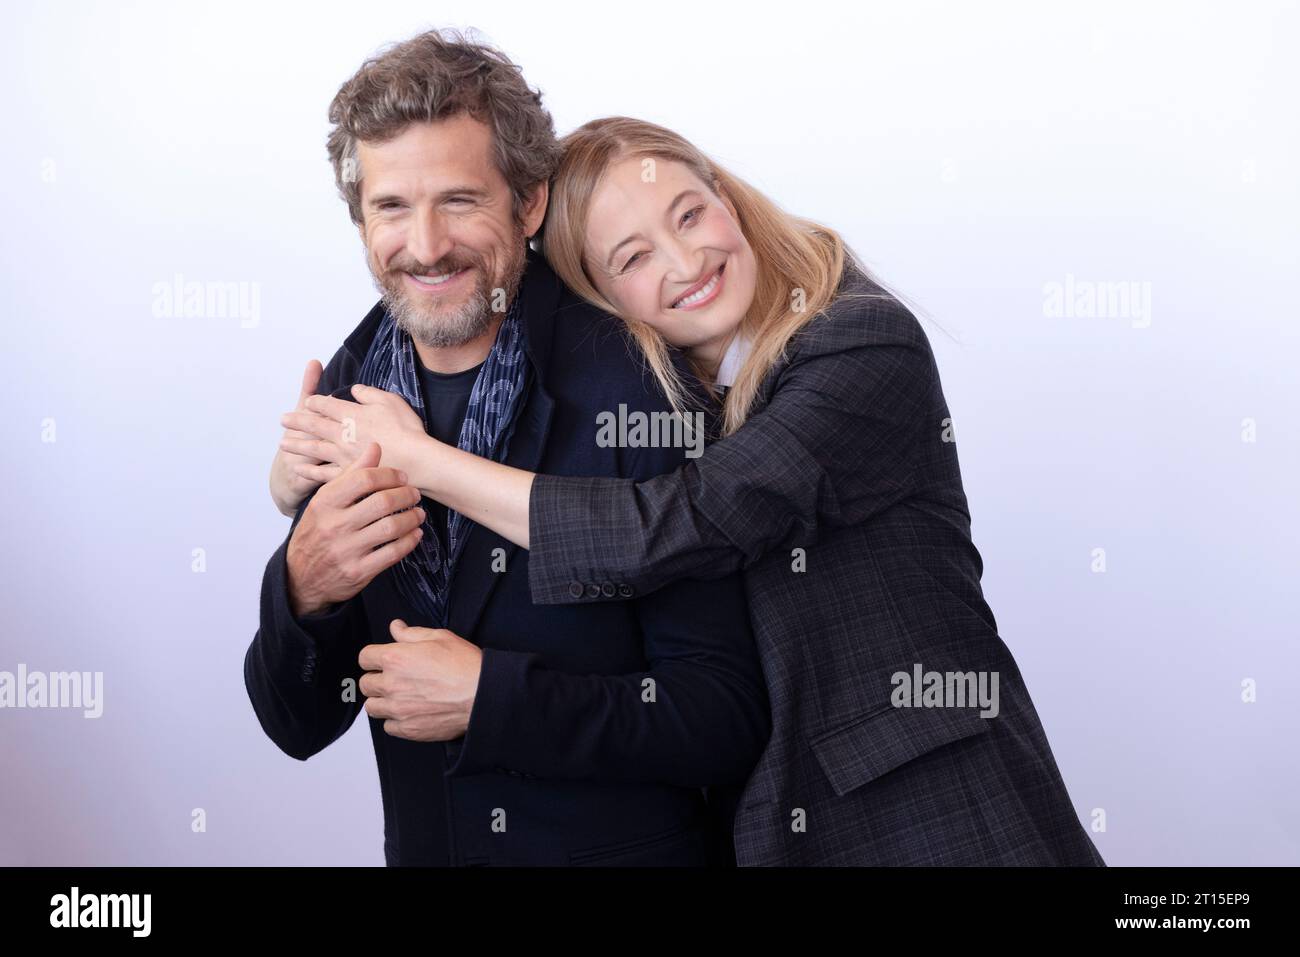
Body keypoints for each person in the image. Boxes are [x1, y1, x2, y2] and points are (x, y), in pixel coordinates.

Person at [279, 113, 1108, 867]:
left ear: (727, 197)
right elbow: (430, 286)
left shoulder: (861, 342)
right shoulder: (674, 394)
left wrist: (417, 460)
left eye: (688, 215)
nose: (685, 263)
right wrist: (295, 490)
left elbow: (675, 525)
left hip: (938, 817)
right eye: (632, 257)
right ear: (601, 298)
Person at [248, 32, 769, 867]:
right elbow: (295, 724)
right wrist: (305, 585)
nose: (425, 245)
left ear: (528, 204)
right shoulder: (349, 388)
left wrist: (495, 698)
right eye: (391, 207)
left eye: (459, 201)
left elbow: (723, 715)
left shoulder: (641, 384)